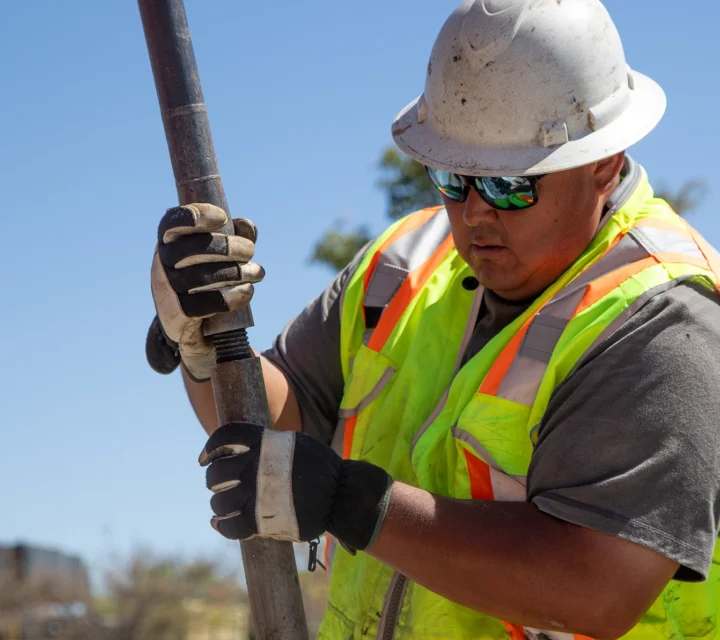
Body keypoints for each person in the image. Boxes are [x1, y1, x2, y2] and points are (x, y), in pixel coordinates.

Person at [148, 0, 720, 637]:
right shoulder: (402, 263)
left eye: (511, 185)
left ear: (602, 166)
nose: (475, 212)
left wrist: (347, 501)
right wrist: (206, 349)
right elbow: (281, 422)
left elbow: (597, 585)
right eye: (453, 176)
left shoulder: (663, 319)